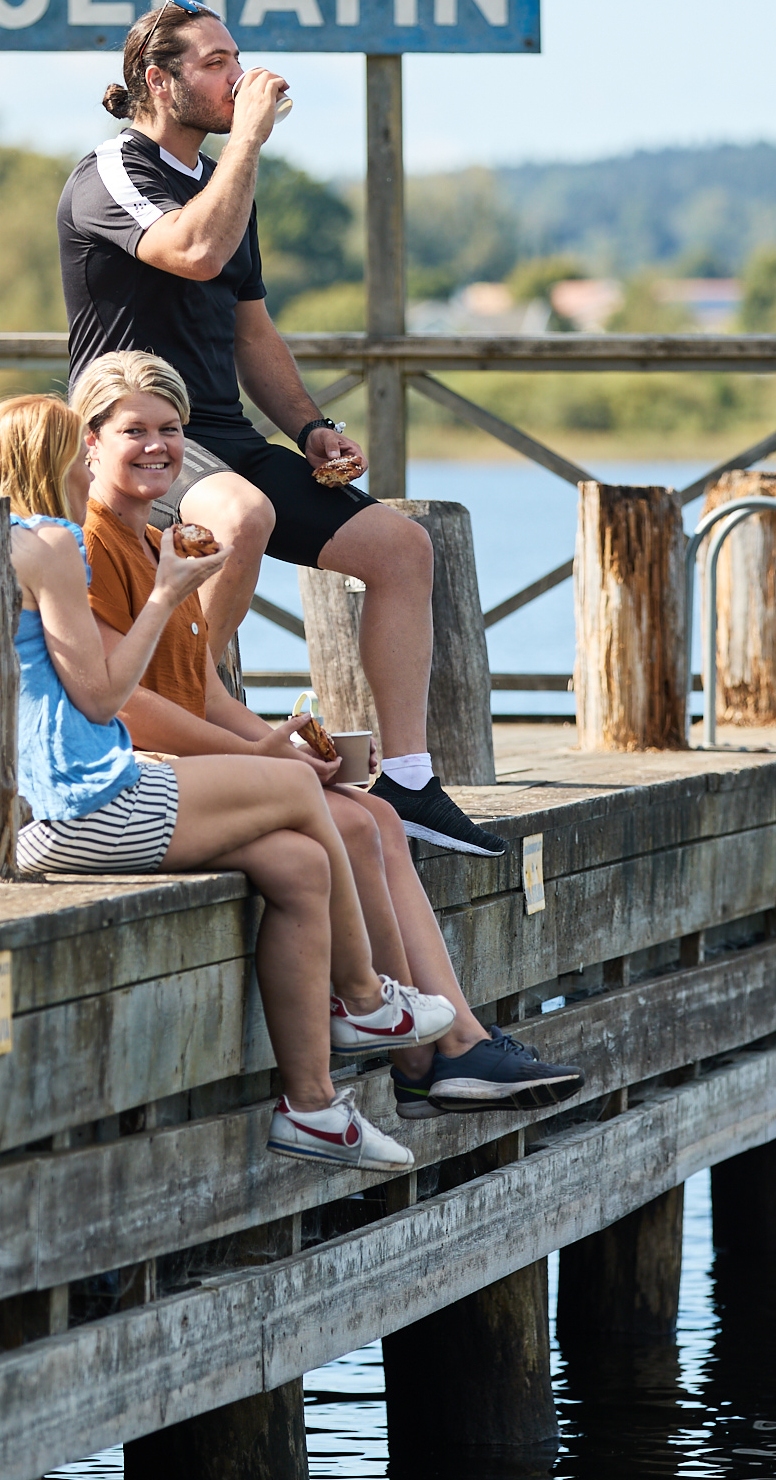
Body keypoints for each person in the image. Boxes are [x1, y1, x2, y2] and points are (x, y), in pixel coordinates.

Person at [0, 394, 450, 1171]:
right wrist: (169, 592)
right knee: (309, 797)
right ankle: (367, 1001)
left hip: (25, 820)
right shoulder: (51, 545)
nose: (89, 462)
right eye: (81, 446)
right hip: (86, 803)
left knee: (298, 864)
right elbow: (103, 697)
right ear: (56, 458)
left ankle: (314, 1110)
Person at [68, 351, 584, 1118]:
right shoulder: (91, 545)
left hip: (198, 761)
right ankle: (429, 1052)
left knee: (374, 812)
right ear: (91, 444)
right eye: (134, 430)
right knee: (353, 822)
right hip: (137, 772)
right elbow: (129, 704)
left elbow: (199, 688)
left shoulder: (158, 541)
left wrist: (286, 740)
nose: (158, 447)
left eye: (171, 430)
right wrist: (258, 759)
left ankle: (447, 1045)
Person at [57, 0, 508, 859]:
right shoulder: (111, 171)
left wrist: (309, 429)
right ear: (159, 79)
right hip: (135, 437)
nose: (243, 75)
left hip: (222, 435)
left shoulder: (226, 185)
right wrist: (252, 142)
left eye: (238, 58)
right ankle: (183, 714)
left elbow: (251, 327)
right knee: (240, 517)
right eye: (218, 62)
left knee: (401, 548)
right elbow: (189, 252)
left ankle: (410, 780)